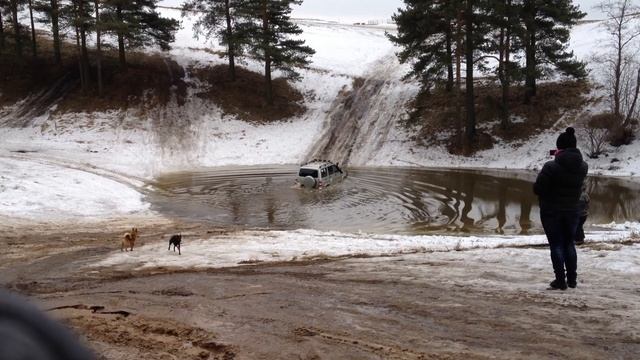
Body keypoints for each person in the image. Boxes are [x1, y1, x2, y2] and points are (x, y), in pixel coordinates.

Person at [533, 127, 588, 290]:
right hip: (573, 210)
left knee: (556, 244)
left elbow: (539, 189)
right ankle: (572, 279)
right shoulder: (583, 166)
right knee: (569, 243)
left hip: (552, 211)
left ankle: (560, 280)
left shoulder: (551, 167)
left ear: (560, 148)